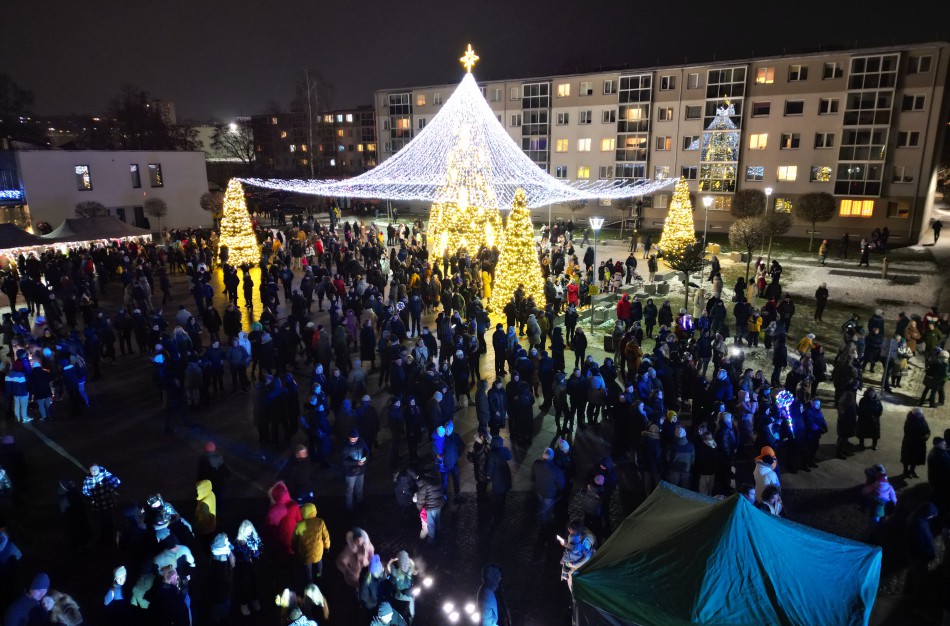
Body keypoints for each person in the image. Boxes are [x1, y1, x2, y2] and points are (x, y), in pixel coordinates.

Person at [293, 502, 330, 586]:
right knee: (319, 563)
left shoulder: (299, 525)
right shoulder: (320, 522)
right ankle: (319, 576)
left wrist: (294, 548)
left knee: (308, 568)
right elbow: (326, 536)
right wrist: (327, 546)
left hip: (305, 553)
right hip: (318, 551)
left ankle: (310, 582)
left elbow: (295, 539)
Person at [81, 464, 121, 544]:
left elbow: (117, 482)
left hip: (108, 505)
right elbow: (85, 492)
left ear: (99, 469)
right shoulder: (87, 480)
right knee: (101, 522)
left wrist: (111, 489)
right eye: (92, 470)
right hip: (97, 506)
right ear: (90, 471)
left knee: (109, 521)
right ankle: (104, 537)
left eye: (96, 469)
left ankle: (111, 538)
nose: (94, 471)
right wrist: (90, 499)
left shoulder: (105, 475)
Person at [233, 520, 263, 616]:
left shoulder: (255, 537)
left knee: (255, 582)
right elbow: (238, 555)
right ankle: (244, 604)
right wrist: (246, 553)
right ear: (243, 530)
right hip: (244, 567)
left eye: (250, 529)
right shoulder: (239, 541)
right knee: (244, 585)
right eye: (247, 530)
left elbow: (261, 547)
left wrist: (257, 553)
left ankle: (255, 600)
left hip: (254, 564)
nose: (249, 531)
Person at [531, 448, 566, 526]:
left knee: (541, 503)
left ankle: (542, 518)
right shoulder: (556, 470)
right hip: (550, 494)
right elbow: (561, 485)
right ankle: (544, 522)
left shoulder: (536, 463)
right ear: (552, 457)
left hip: (539, 490)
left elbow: (532, 476)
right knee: (547, 508)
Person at [559, 519, 595, 591]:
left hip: (578, 564)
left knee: (566, 567)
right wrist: (567, 545)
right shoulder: (580, 535)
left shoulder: (583, 543)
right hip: (578, 558)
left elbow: (585, 555)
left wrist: (573, 564)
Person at [208, 533, 235, 624]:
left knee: (220, 605)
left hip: (219, 590)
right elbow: (227, 576)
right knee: (220, 607)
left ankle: (220, 618)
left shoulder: (214, 555)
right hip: (222, 591)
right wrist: (232, 565)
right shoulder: (221, 562)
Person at [342, 428, 370, 511]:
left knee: (360, 487)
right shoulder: (345, 446)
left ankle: (360, 502)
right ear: (349, 437)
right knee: (350, 489)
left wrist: (364, 460)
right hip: (350, 472)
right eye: (353, 438)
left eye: (356, 438)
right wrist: (356, 463)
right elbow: (343, 461)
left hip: (360, 470)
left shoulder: (361, 441)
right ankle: (349, 507)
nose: (354, 440)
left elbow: (367, 452)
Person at [901, 408, 931, 478]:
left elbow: (927, 430)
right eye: (917, 414)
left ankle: (912, 471)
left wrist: (926, 436)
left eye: (920, 414)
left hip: (919, 443)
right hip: (910, 443)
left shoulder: (923, 420)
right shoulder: (909, 421)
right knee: (907, 457)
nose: (919, 415)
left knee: (915, 458)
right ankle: (905, 471)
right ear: (913, 414)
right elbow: (908, 432)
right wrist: (921, 437)